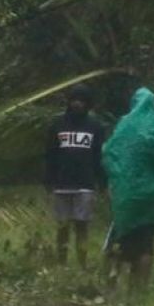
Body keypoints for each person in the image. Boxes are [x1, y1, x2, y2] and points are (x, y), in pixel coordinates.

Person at [101, 87, 154, 294]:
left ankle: (113, 274)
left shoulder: (124, 124)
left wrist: (115, 178)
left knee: (121, 233)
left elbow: (108, 152)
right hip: (150, 193)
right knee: (146, 241)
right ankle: (140, 287)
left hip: (126, 192)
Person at [44, 84, 105, 268]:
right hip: (62, 183)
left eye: (82, 101)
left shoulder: (95, 127)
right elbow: (50, 154)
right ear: (69, 102)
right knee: (62, 226)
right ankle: (61, 262)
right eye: (74, 100)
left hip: (85, 184)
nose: (77, 104)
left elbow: (98, 156)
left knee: (82, 226)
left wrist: (102, 181)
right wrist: (48, 179)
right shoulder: (57, 125)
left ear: (88, 104)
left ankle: (82, 263)